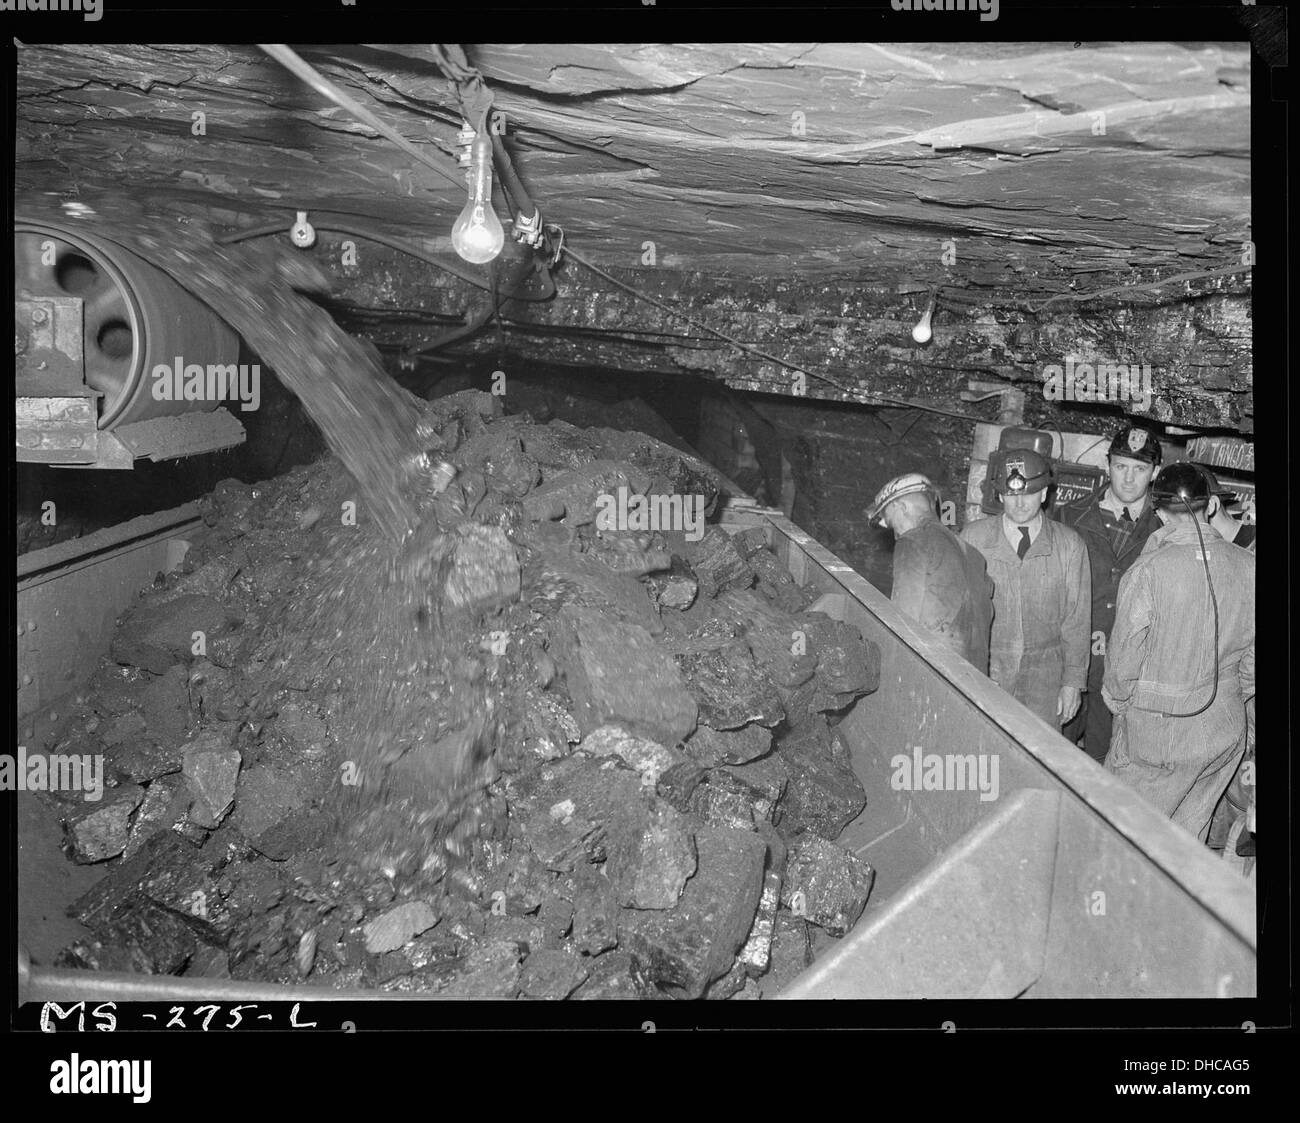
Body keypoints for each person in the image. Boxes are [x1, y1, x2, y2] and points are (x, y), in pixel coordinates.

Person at [1102, 464, 1255, 843]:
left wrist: (1120, 704)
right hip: (1223, 731)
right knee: (1185, 848)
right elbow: (1255, 661)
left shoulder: (1149, 571)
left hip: (1159, 736)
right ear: (1210, 506)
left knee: (1125, 838)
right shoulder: (1251, 567)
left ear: (1158, 512)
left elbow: (1123, 663)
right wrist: (1233, 694)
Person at [960, 449, 1091, 729]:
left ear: (1044, 493)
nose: (1019, 503)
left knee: (1038, 762)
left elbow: (1077, 621)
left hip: (1046, 679)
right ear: (999, 495)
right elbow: (962, 616)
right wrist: (972, 669)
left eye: (1029, 494)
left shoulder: (1069, 545)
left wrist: (1072, 683)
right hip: (989, 670)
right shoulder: (974, 539)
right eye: (1011, 495)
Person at [1060, 426, 1164, 761]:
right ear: (1108, 465)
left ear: (1155, 473)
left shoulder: (1167, 530)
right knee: (1051, 753)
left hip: (1126, 671)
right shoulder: (1070, 515)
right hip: (1071, 659)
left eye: (1140, 469)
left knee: (1104, 765)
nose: (1129, 479)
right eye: (1121, 466)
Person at [868, 472, 993, 672]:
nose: (895, 532)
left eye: (892, 522)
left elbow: (903, 620)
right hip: (974, 680)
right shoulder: (973, 554)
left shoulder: (913, 542)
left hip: (934, 675)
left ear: (902, 507)